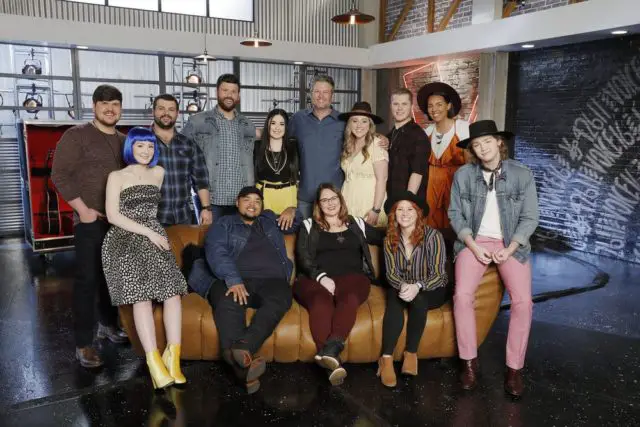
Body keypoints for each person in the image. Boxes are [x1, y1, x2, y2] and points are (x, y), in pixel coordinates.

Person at [448, 120, 539, 397]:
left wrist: (510, 248)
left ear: (500, 142)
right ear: (472, 150)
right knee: (462, 296)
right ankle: (469, 363)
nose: (482, 148)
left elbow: (530, 216)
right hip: (474, 241)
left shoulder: (522, 174)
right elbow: (455, 214)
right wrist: (473, 246)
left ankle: (514, 369)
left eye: (487, 141)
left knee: (523, 302)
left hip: (510, 242)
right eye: (476, 144)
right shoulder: (464, 175)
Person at [189, 186, 301, 394]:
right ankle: (243, 371)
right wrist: (233, 279)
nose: (252, 204)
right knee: (228, 300)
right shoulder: (224, 224)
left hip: (271, 281)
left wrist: (293, 210)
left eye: (257, 201)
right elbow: (217, 250)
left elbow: (300, 222)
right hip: (235, 279)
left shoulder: (269, 221)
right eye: (247, 200)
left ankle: (244, 346)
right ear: (237, 202)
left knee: (283, 296)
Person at [102, 127, 188, 389]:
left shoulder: (159, 172)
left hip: (154, 235)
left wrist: (153, 233)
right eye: (140, 146)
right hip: (125, 238)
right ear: (131, 147)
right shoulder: (116, 176)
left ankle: (173, 358)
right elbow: (113, 216)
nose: (146, 151)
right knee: (142, 298)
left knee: (173, 294)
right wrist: (149, 233)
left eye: (150, 146)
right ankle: (153, 362)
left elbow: (151, 212)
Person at [51, 84, 128, 368]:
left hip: (118, 222)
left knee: (112, 278)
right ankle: (84, 344)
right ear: (94, 106)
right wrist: (82, 209)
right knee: (87, 281)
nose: (110, 109)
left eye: (116, 104)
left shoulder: (124, 139)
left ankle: (108, 325)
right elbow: (59, 174)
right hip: (89, 220)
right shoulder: (77, 135)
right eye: (105, 103)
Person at [295, 183, 383, 385]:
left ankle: (331, 351)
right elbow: (303, 257)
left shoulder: (356, 224)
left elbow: (385, 237)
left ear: (341, 200)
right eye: (325, 200)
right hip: (314, 280)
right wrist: (321, 277)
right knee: (320, 302)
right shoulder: (308, 226)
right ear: (318, 204)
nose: (330, 203)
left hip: (353, 279)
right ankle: (332, 361)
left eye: (333, 198)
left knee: (349, 298)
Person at [290, 75, 388, 218]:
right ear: (311, 94)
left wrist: (380, 137)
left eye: (326, 92)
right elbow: (281, 140)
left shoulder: (342, 121)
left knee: (332, 238)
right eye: (317, 91)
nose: (321, 96)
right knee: (304, 238)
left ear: (332, 95)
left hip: (334, 198)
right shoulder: (298, 119)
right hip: (305, 195)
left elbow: (361, 132)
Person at [376, 191, 447, 388]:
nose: (405, 214)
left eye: (410, 209)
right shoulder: (389, 239)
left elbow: (439, 274)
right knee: (394, 300)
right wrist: (403, 286)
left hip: (430, 287)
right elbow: (390, 273)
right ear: (394, 215)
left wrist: (417, 286)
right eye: (400, 210)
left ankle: (411, 353)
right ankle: (386, 358)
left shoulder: (433, 237)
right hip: (401, 283)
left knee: (419, 299)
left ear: (418, 213)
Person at [182, 74, 258, 220]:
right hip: (210, 202)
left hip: (241, 201)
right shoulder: (198, 122)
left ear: (238, 95)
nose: (229, 95)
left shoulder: (248, 125)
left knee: (241, 242)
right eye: (225, 90)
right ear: (217, 92)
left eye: (233, 91)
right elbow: (182, 157)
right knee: (210, 241)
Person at [416, 82, 470, 233]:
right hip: (431, 191)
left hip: (456, 188)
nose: (434, 109)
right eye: (430, 106)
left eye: (439, 104)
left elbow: (472, 165)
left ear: (448, 106)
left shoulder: (463, 128)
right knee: (431, 232)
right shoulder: (427, 131)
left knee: (456, 229)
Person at [151, 94, 211, 226]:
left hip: (182, 217)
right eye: (161, 108)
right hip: (151, 219)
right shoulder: (142, 143)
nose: (166, 113)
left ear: (177, 113)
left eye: (171, 109)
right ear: (153, 111)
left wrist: (206, 209)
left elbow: (201, 180)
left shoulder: (188, 144)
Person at [339, 101, 389, 227]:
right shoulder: (348, 146)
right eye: (355, 121)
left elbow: (382, 180)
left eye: (364, 121)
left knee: (368, 244)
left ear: (370, 124)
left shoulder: (377, 145)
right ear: (349, 124)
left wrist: (376, 209)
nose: (359, 125)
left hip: (369, 204)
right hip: (348, 201)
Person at [254, 108, 299, 230]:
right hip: (264, 199)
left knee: (288, 236)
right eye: (273, 123)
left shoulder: (294, 147)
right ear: (267, 125)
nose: (277, 127)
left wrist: (292, 208)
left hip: (288, 200)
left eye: (282, 124)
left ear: (286, 127)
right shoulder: (257, 148)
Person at [386, 88, 430, 201]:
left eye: (404, 104)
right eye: (395, 104)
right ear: (391, 106)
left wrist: (407, 203)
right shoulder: (390, 135)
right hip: (390, 200)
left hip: (407, 203)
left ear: (411, 106)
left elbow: (417, 173)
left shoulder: (418, 136)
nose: (399, 108)